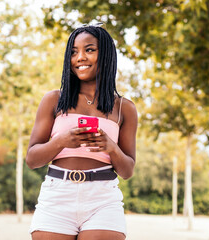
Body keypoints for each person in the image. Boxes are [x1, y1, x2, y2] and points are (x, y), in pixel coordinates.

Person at [26, 23, 138, 240]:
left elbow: (127, 171)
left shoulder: (124, 108)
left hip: (103, 198)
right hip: (57, 195)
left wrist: (112, 148)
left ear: (105, 55)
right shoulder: (53, 100)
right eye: (74, 52)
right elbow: (32, 159)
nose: (80, 58)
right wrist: (61, 142)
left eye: (89, 50)